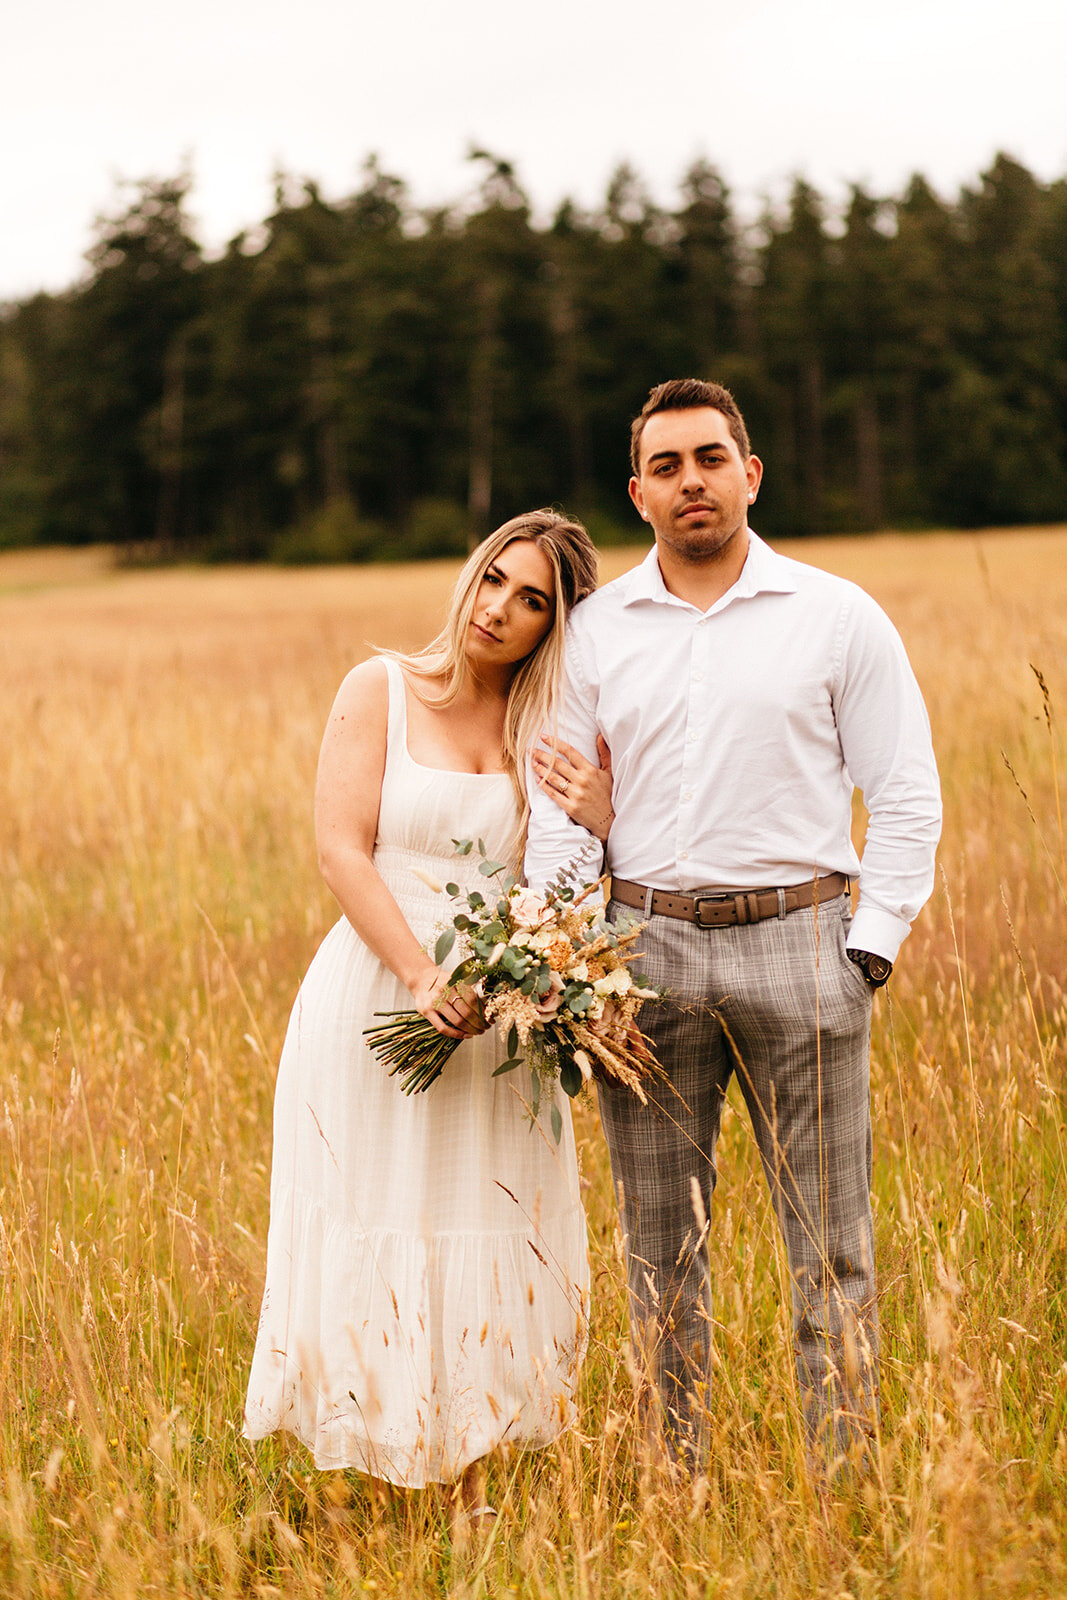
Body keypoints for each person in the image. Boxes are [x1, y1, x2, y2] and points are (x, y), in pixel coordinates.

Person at [526, 379, 942, 1470]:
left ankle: (844, 1477)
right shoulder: (594, 634)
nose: (690, 481)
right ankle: (678, 1478)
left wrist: (869, 946)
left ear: (749, 473)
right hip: (640, 960)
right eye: (664, 467)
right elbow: (562, 812)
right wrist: (575, 958)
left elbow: (903, 792)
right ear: (637, 494)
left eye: (708, 458)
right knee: (658, 1253)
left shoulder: (835, 615)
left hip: (804, 945)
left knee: (831, 1247)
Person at [244, 510, 605, 1508]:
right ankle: (377, 1456)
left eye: (532, 599)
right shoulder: (382, 689)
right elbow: (340, 849)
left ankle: (473, 1467)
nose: (499, 608)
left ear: (553, 624)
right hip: (379, 995)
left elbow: (580, 864)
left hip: (499, 1019)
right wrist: (418, 977)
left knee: (481, 1210)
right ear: (469, 572)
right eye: (495, 578)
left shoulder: (545, 731)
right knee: (379, 1208)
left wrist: (534, 972)